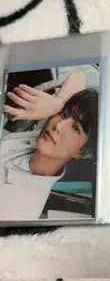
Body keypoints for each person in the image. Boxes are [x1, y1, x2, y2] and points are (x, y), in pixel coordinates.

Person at [0, 73, 98, 220]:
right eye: (64, 114)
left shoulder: (19, 206)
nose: (58, 125)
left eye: (75, 128)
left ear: (81, 152)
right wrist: (58, 103)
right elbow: (79, 76)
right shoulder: (43, 137)